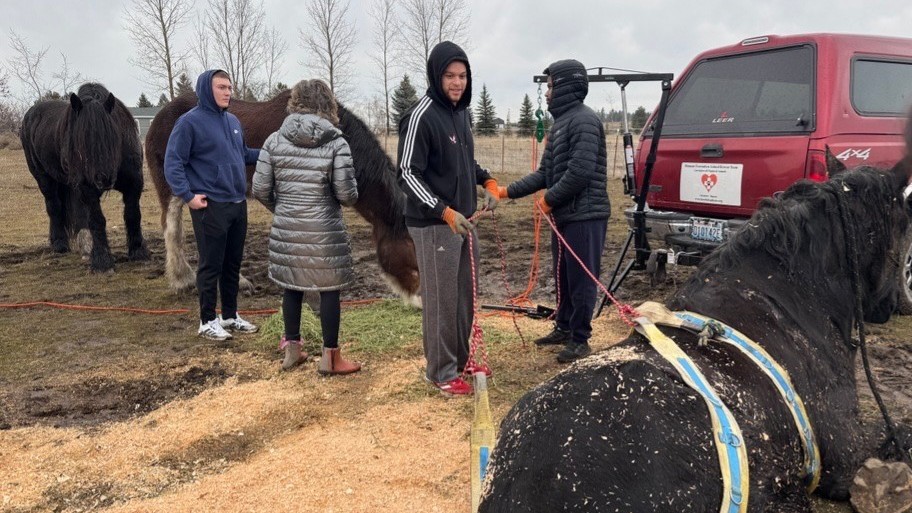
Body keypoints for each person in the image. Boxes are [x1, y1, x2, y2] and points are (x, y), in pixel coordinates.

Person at [397, 41, 501, 396]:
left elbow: (463, 163)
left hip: (465, 221)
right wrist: (443, 210)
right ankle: (440, 373)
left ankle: (460, 360)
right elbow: (408, 174)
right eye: (449, 76)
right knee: (441, 300)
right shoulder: (421, 115)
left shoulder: (461, 112)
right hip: (433, 225)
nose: (457, 83)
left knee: (463, 296)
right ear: (436, 76)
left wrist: (486, 181)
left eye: (462, 76)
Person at [496, 59, 610, 363]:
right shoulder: (560, 124)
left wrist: (549, 200)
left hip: (586, 216)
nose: (546, 93)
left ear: (565, 86)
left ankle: (580, 339)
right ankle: (563, 326)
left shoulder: (584, 121)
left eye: (549, 86)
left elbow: (581, 171)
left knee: (581, 279)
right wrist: (507, 192)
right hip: (565, 216)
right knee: (564, 276)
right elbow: (545, 173)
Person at [252, 79, 361, 375]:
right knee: (329, 291)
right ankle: (330, 359)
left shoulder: (274, 140)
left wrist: (284, 209)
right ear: (328, 104)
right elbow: (347, 195)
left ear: (295, 102)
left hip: (287, 226)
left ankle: (292, 352)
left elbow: (260, 188)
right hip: (325, 230)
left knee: (291, 286)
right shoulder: (337, 142)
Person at [164, 69, 260, 341]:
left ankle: (229, 316)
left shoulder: (233, 121)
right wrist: (188, 196)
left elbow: (242, 154)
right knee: (211, 264)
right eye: (221, 87)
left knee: (232, 263)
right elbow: (173, 163)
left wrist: (270, 152)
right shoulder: (188, 123)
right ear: (207, 89)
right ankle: (207, 320)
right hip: (210, 205)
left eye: (229, 87)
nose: (228, 92)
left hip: (237, 203)